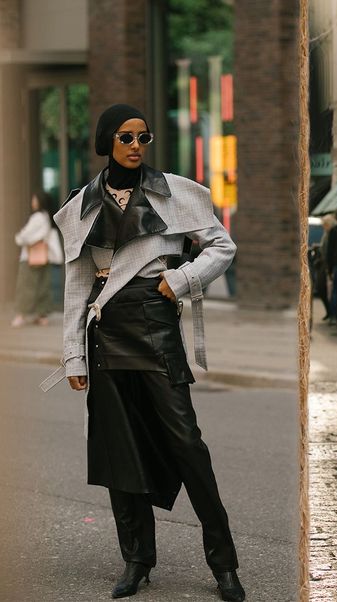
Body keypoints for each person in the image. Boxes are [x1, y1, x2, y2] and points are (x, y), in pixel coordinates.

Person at [40, 104, 245, 601]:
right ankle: (136, 560)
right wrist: (73, 355)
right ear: (107, 140)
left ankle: (224, 564)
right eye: (126, 136)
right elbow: (76, 284)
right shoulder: (80, 206)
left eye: (144, 137)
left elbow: (222, 245)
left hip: (155, 325)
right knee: (120, 450)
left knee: (188, 446)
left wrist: (182, 279)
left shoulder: (176, 192)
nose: (136, 145)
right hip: (104, 333)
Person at [12, 191, 58, 327]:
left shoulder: (37, 217)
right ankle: (41, 315)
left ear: (39, 201)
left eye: (34, 199)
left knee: (26, 286)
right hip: (43, 256)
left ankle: (21, 315)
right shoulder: (46, 217)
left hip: (30, 257)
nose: (32, 202)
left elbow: (24, 237)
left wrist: (18, 238)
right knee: (42, 286)